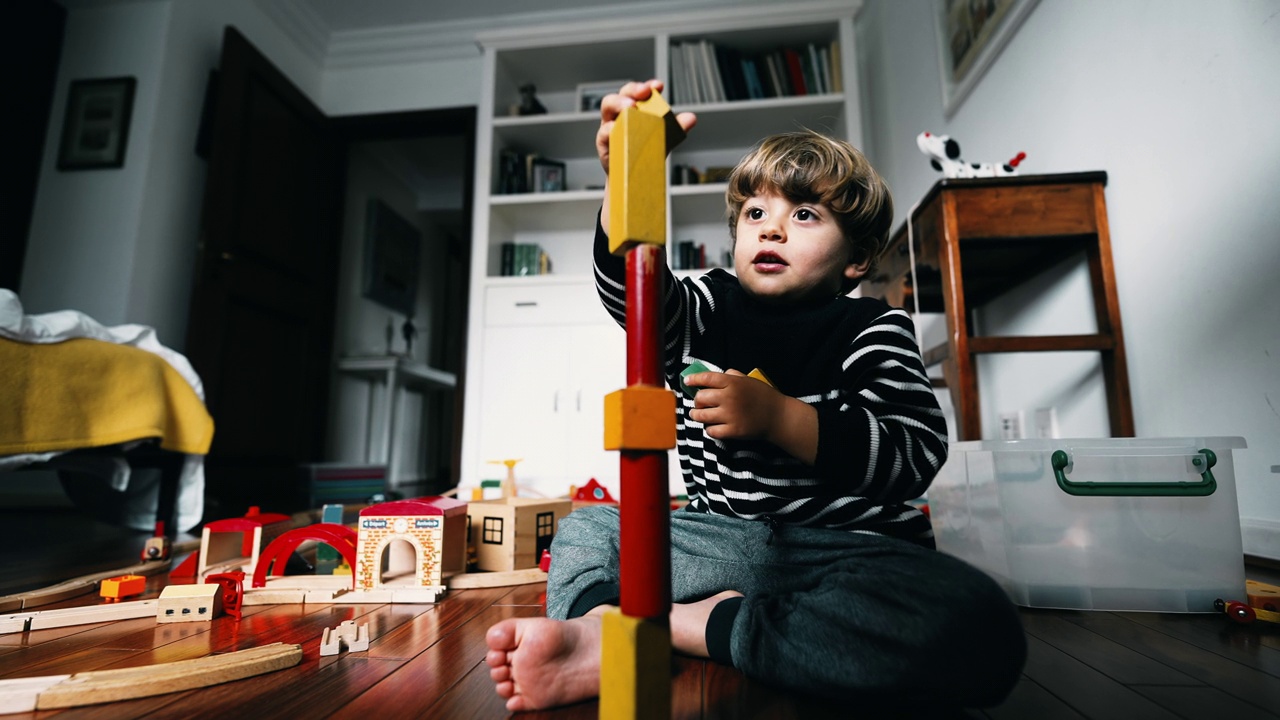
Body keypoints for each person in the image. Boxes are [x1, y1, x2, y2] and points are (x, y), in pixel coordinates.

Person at [485, 79, 1026, 713]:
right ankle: (600, 629)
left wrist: (782, 418)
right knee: (591, 529)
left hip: (842, 554)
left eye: (804, 214)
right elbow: (633, 295)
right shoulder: (709, 306)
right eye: (754, 213)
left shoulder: (873, 327)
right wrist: (623, 176)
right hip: (716, 544)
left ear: (856, 259)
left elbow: (914, 455)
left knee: (976, 622)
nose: (772, 229)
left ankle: (698, 627)